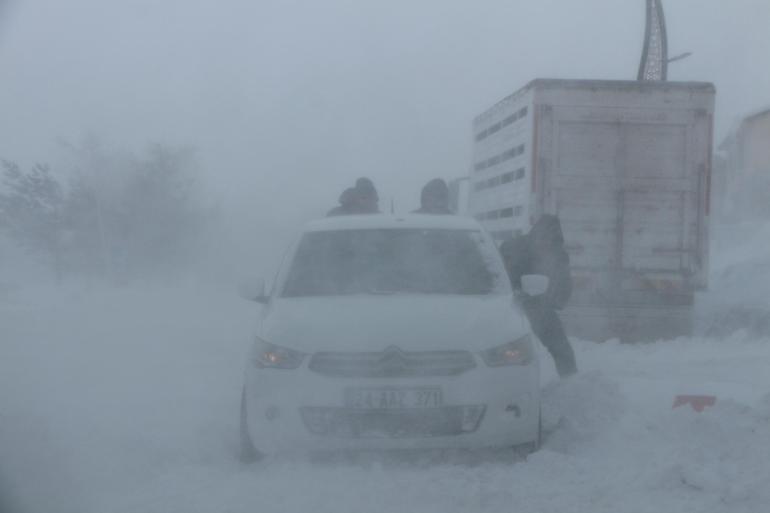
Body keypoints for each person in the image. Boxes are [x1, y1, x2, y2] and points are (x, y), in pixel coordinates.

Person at [499, 214, 577, 377]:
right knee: (510, 352)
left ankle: (571, 384)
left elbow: (565, 284)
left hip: (542, 308)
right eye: (543, 237)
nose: (546, 243)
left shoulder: (559, 255)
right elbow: (500, 277)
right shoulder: (514, 248)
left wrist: (555, 300)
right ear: (536, 234)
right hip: (513, 309)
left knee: (563, 350)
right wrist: (515, 292)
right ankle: (509, 384)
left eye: (551, 239)